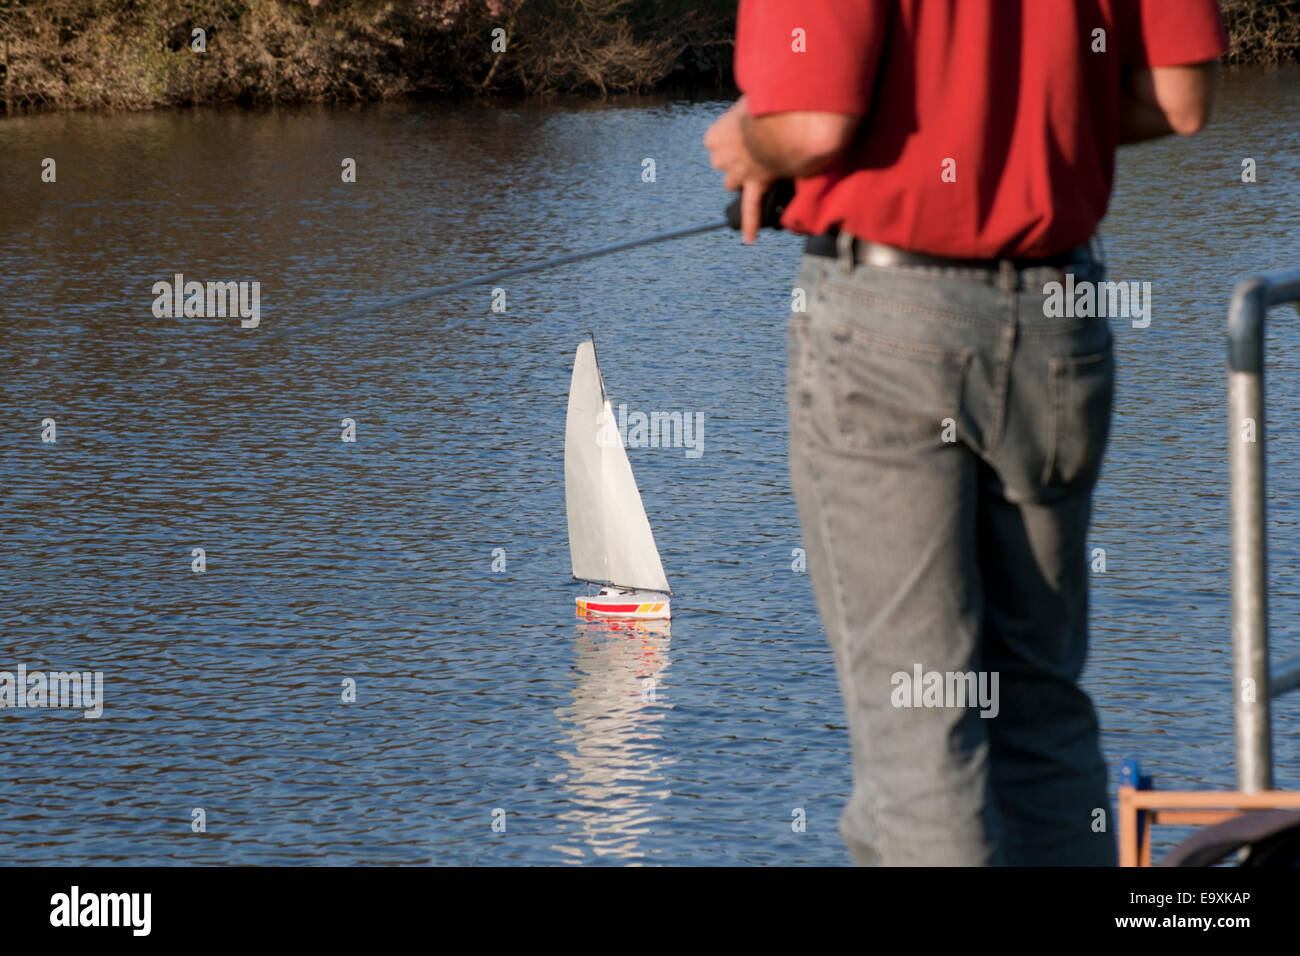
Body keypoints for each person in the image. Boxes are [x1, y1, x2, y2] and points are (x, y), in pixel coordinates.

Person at [704, 0, 1227, 865]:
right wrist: (1024, 148)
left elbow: (812, 123)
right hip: (1062, 319)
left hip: (889, 322)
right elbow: (1178, 97)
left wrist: (751, 147)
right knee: (1041, 708)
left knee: (923, 726)